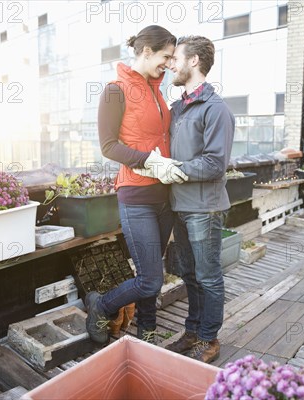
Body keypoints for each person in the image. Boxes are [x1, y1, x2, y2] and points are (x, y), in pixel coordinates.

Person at [86, 25, 188, 345]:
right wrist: (151, 162)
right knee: (149, 280)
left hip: (164, 198)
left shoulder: (157, 91)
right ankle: (100, 306)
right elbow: (108, 146)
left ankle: (148, 335)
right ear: (146, 51)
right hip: (137, 197)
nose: (170, 63)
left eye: (173, 58)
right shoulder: (115, 90)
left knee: (151, 273)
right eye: (166, 56)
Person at [161, 36, 235, 363]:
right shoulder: (178, 108)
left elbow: (215, 164)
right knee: (189, 275)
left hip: (204, 209)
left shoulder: (216, 109)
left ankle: (209, 339)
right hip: (180, 205)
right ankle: (192, 332)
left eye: (176, 58)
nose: (171, 64)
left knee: (208, 276)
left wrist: (173, 168)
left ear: (194, 61)